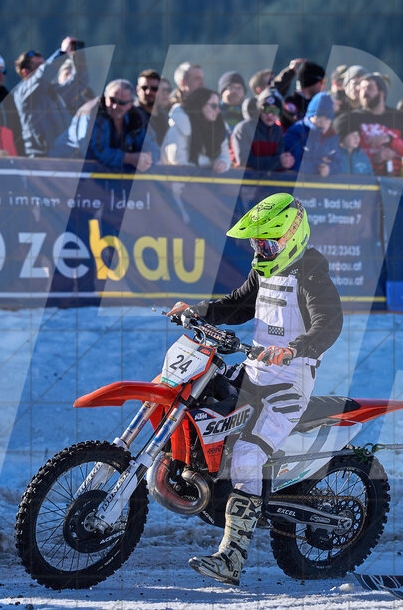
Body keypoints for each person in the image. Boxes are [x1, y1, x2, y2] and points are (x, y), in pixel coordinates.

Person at [169, 193, 343, 586]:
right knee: (200, 402)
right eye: (256, 243)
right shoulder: (265, 270)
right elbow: (238, 305)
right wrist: (198, 310)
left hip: (290, 379)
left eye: (267, 243)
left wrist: (296, 348)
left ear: (291, 236)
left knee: (247, 455)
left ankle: (231, 559)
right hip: (254, 369)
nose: (260, 251)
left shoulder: (312, 274)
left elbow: (328, 325)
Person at [50, 78, 158, 171]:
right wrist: (129, 158)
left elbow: (152, 146)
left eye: (122, 103)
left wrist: (148, 159)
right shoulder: (89, 113)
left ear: (130, 104)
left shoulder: (137, 118)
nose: (115, 106)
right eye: (112, 100)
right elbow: (92, 151)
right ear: (104, 97)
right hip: (64, 167)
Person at [14, 37, 89, 157]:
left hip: (62, 154)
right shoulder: (23, 94)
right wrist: (63, 53)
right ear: (25, 72)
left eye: (44, 64)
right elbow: (42, 76)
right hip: (41, 157)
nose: (46, 66)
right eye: (39, 65)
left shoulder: (54, 91)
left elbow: (80, 82)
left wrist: (77, 56)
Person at [354, 73, 403, 176]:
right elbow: (345, 153)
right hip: (362, 180)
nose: (364, 92)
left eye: (369, 88)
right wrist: (374, 158)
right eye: (362, 89)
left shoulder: (401, 118)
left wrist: (390, 140)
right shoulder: (353, 117)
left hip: (394, 182)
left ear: (382, 93)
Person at [161, 87, 229, 172]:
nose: (218, 110)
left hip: (200, 181)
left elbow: (224, 154)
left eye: (219, 106)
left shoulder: (218, 126)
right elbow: (178, 161)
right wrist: (211, 164)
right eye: (214, 106)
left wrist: (222, 162)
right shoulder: (180, 123)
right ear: (200, 104)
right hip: (172, 181)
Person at [231, 89, 292, 172]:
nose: (270, 115)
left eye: (274, 111)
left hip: (269, 181)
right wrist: (278, 162)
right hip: (245, 181)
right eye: (266, 109)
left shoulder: (278, 131)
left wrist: (287, 161)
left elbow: (279, 161)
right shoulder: (244, 129)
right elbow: (244, 162)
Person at [285, 92, 338, 174]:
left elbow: (338, 162)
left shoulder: (331, 136)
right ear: (310, 116)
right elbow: (294, 164)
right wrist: (318, 167)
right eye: (319, 118)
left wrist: (329, 169)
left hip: (323, 184)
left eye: (327, 119)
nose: (323, 123)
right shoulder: (296, 132)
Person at [330, 111, 374, 176]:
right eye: (353, 135)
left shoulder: (364, 158)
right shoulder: (332, 157)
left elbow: (371, 180)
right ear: (342, 137)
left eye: (358, 135)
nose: (357, 138)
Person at [134, 69, 168, 147]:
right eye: (144, 88)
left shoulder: (165, 116)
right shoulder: (130, 115)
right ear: (138, 89)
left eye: (154, 88)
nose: (148, 92)